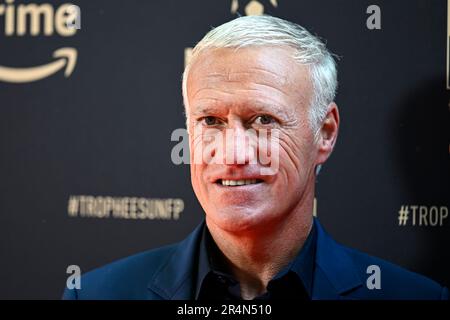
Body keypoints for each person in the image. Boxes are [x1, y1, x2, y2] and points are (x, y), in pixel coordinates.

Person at [63, 15, 448, 300]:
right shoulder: (97, 294)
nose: (233, 153)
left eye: (264, 120)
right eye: (210, 120)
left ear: (325, 133)